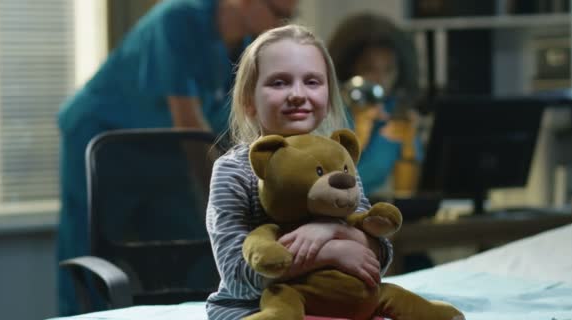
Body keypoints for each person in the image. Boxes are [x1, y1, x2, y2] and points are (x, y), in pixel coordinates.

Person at [56, 0, 298, 315]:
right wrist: (231, 196)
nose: (281, 26)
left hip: (165, 152)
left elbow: (235, 124)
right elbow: (188, 122)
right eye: (278, 13)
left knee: (189, 251)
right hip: (102, 136)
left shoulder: (247, 47)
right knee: (90, 251)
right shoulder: (178, 20)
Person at [205, 24, 393, 319]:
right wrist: (328, 253)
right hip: (255, 309)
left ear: (329, 95)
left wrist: (330, 229)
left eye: (312, 82)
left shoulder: (338, 161)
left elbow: (378, 258)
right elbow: (238, 279)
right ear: (248, 101)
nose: (297, 94)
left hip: (334, 304)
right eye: (279, 83)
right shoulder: (232, 171)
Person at [328, 13, 424, 197]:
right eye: (369, 69)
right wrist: (360, 136)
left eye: (389, 70)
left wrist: (408, 146)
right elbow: (329, 184)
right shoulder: (331, 112)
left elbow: (405, 195)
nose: (381, 80)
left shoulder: (396, 113)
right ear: (349, 70)